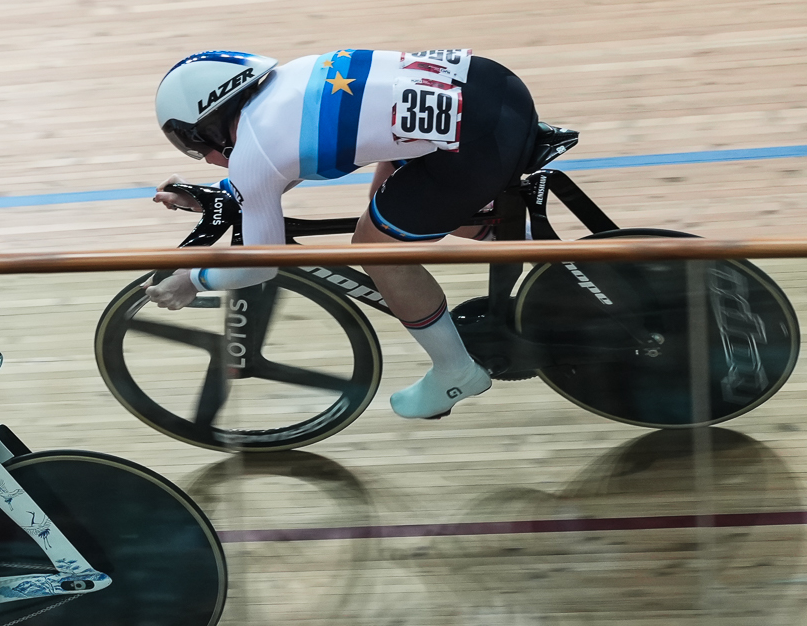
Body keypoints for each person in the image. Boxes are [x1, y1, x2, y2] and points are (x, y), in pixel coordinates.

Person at [148, 48, 541, 420]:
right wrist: (215, 197)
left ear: (210, 124)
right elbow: (276, 169)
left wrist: (193, 280)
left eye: (196, 146)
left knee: (376, 250)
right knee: (389, 206)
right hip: (492, 84)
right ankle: (544, 261)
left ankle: (456, 372)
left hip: (474, 141)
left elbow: (261, 266)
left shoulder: (254, 152)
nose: (207, 158)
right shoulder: (287, 81)